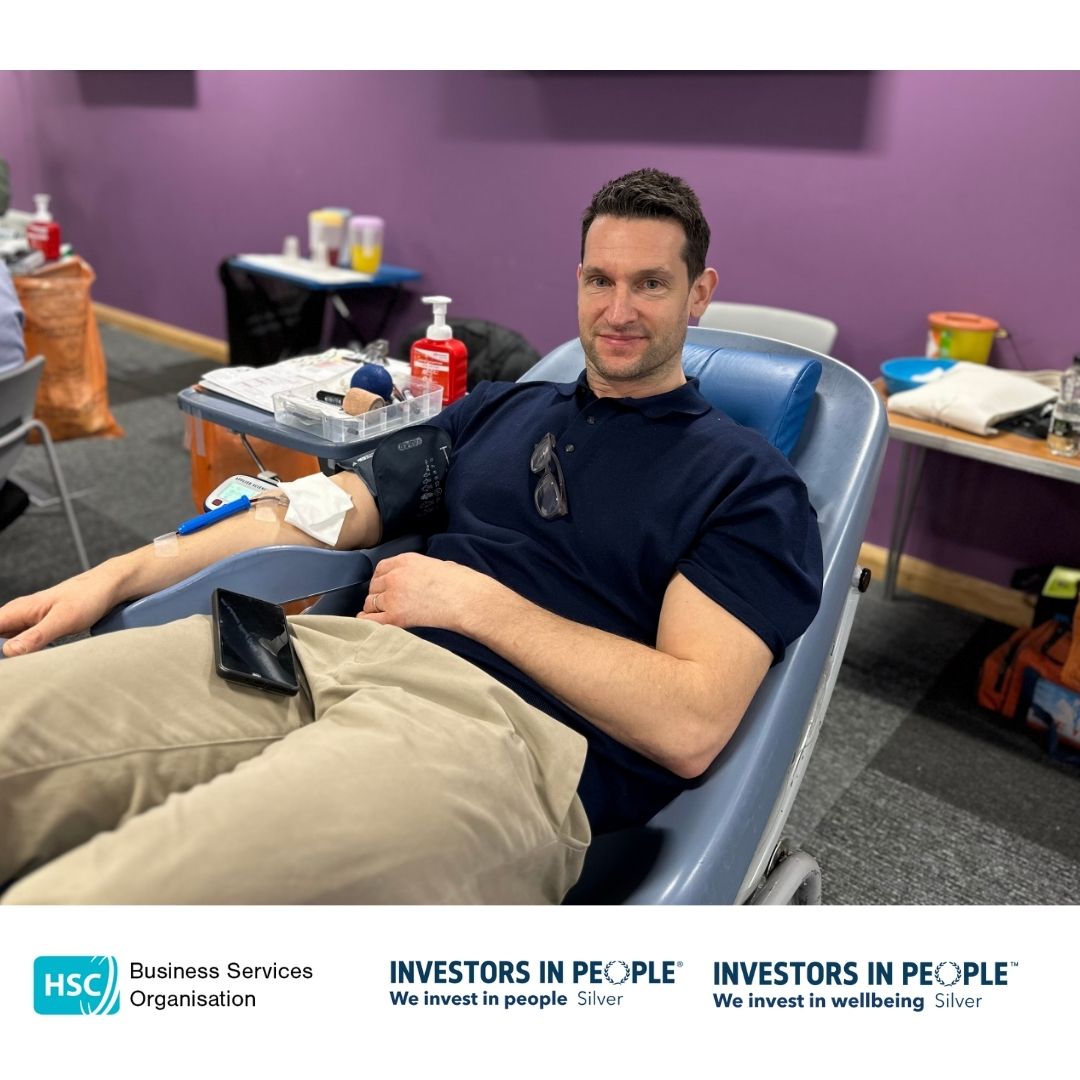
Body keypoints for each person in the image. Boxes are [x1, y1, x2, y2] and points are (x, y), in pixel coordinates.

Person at [0, 168, 822, 905]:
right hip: (327, 654)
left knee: (117, 895)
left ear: (699, 293)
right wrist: (119, 572)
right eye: (599, 280)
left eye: (650, 284)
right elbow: (321, 509)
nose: (617, 311)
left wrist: (477, 606)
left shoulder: (746, 484)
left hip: (501, 738)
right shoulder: (497, 409)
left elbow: (688, 724)